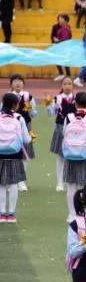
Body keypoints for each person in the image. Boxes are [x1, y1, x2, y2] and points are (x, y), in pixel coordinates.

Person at [62, 92, 86, 220]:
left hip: (70, 154)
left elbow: (64, 133)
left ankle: (71, 214)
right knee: (85, 186)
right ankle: (83, 213)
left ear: (75, 103)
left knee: (71, 185)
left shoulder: (69, 117)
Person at [0, 93, 31, 222]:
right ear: (15, 105)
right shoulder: (19, 118)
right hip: (15, 154)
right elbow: (26, 139)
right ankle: (11, 214)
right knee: (13, 184)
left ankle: (1, 213)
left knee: (1, 185)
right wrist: (31, 138)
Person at [46, 77, 78, 192]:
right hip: (60, 128)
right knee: (60, 157)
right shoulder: (57, 99)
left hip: (75, 130)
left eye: (70, 84)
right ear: (61, 86)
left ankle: (71, 180)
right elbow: (50, 113)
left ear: (73, 86)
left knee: (73, 156)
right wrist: (48, 105)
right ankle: (59, 182)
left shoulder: (77, 99)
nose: (67, 86)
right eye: (65, 84)